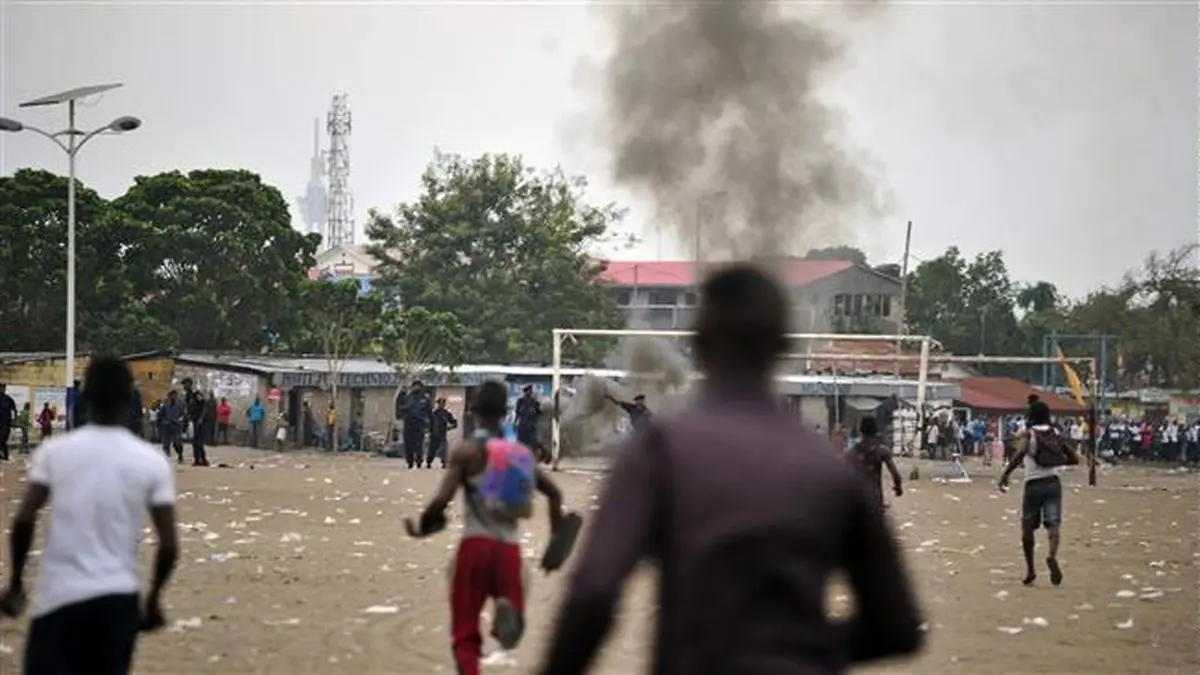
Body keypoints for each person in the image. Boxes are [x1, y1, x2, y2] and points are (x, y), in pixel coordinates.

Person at [538, 264, 923, 674]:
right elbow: (897, 626)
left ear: (699, 342)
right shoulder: (828, 468)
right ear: (781, 346)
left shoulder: (662, 450)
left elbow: (594, 592)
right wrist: (799, 648)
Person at [0, 355, 180, 675]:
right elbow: (168, 544)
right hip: (118, 601)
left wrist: (15, 583)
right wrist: (153, 599)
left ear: (85, 398)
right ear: (129, 398)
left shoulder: (56, 453)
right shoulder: (151, 461)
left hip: (59, 598)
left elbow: (25, 518)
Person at [406, 380, 571, 675]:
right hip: (509, 551)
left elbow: (441, 500)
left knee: (465, 635)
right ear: (505, 412)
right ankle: (507, 612)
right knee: (514, 596)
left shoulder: (467, 452)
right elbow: (555, 495)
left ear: (474, 412)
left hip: (475, 546)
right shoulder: (521, 454)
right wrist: (557, 539)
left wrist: (425, 525)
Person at [999, 400, 1080, 587]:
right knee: (1053, 524)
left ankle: (1031, 571)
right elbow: (1074, 458)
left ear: (1030, 416)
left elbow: (1018, 455)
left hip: (1033, 485)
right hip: (1053, 483)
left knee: (1028, 528)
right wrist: (1055, 462)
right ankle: (1051, 556)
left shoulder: (1030, 434)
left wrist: (1005, 475)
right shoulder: (1056, 434)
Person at [845, 416, 904, 510]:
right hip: (875, 496)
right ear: (876, 431)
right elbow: (896, 475)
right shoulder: (882, 450)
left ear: (861, 431)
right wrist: (898, 488)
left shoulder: (853, 451)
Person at [401, 381, 432, 469]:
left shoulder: (425, 399)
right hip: (408, 423)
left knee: (419, 444)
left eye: (418, 386)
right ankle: (410, 462)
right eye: (414, 386)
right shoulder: (407, 397)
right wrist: (405, 409)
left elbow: (429, 413)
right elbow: (400, 408)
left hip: (419, 424)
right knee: (408, 444)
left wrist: (431, 425)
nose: (416, 388)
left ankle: (419, 461)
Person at [181, 379, 209, 467]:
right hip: (193, 420)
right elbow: (188, 409)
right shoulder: (187, 396)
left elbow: (204, 405)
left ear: (190, 384)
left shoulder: (196, 394)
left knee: (199, 441)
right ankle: (197, 460)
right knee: (194, 441)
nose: (184, 387)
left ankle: (203, 459)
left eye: (185, 384)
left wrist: (201, 418)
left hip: (200, 421)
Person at [427, 397, 458, 469]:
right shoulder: (433, 413)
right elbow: (429, 423)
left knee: (444, 450)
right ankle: (429, 463)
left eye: (443, 403)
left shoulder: (447, 413)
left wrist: (450, 428)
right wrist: (428, 431)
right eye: (440, 403)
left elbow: (454, 423)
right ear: (437, 404)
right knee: (431, 450)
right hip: (434, 435)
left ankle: (444, 463)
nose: (441, 405)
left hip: (442, 434)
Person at [158, 390, 186, 464]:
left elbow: (183, 414)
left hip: (176, 426)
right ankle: (166, 458)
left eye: (174, 395)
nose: (172, 397)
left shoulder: (181, 403)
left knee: (177, 443)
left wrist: (181, 421)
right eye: (171, 396)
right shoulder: (166, 403)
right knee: (166, 443)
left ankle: (180, 455)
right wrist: (162, 421)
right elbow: (161, 413)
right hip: (167, 426)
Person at [0, 383, 16, 461]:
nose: (2, 389)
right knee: (2, 441)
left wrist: (13, 421)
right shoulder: (8, 399)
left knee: (3, 440)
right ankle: (4, 456)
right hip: (4, 424)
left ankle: (5, 456)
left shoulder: (9, 399)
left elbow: (14, 411)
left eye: (3, 388)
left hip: (5, 424)